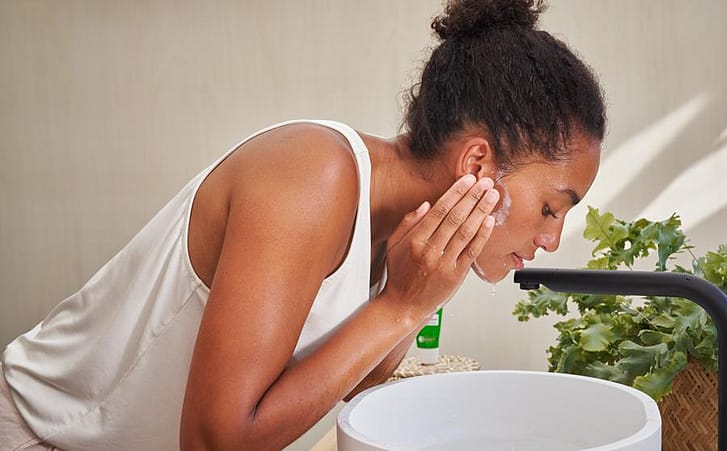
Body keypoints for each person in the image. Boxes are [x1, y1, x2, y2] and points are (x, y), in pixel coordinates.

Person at [0, 0, 606, 449]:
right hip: (41, 435)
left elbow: (356, 381)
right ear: (477, 163)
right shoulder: (311, 177)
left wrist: (419, 297)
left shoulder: (394, 223)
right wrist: (399, 306)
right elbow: (216, 442)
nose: (551, 239)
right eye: (552, 207)